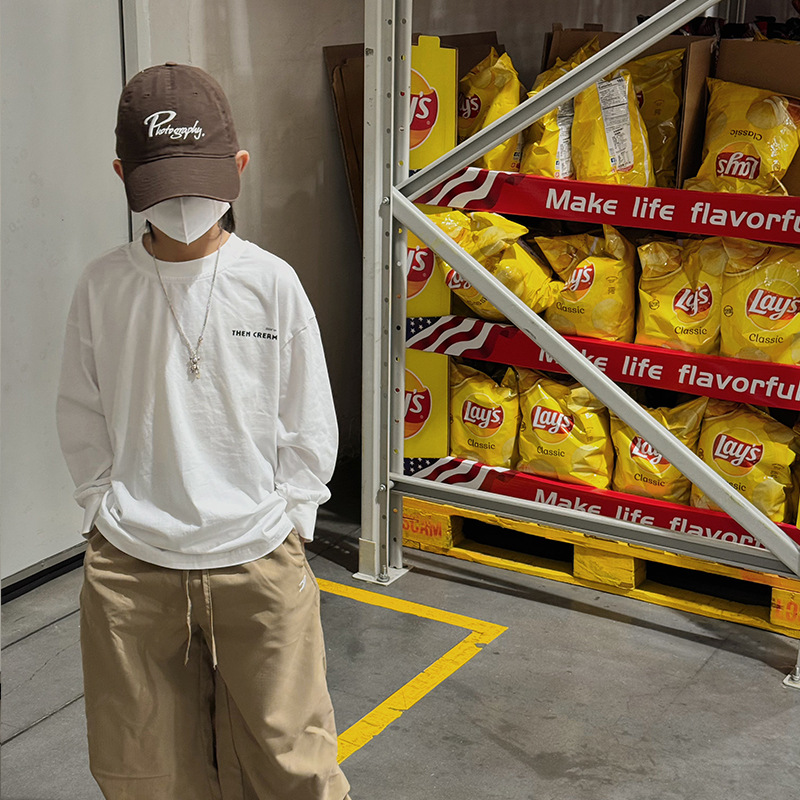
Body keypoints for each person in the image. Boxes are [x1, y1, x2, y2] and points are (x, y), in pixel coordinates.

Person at [56, 62, 351, 800]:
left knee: (294, 766)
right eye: (163, 188)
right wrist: (99, 504)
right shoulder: (104, 285)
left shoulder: (271, 282)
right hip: (133, 563)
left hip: (259, 555)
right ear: (123, 177)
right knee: (143, 770)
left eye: (200, 183)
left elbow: (308, 413)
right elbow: (80, 407)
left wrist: (294, 515)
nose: (185, 207)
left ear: (239, 169)